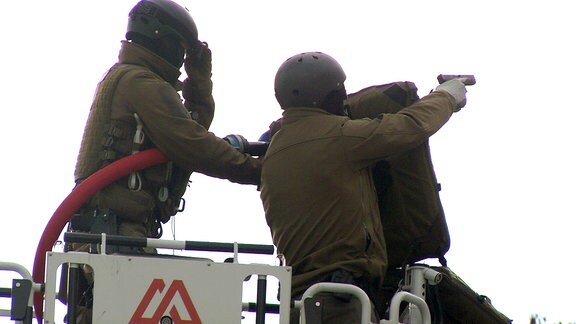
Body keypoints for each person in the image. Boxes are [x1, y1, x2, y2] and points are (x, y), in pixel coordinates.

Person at [62, 0, 261, 322]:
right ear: (166, 41)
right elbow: (192, 143)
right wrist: (261, 172)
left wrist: (199, 83)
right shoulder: (143, 83)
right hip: (116, 237)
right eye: (182, 50)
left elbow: (190, 126)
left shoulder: (132, 77)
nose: (182, 60)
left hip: (110, 234)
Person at [259, 51, 470, 323]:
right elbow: (410, 126)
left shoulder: (274, 152)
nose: (344, 97)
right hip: (340, 303)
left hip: (301, 303)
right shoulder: (340, 137)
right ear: (326, 96)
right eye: (340, 91)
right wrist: (447, 96)